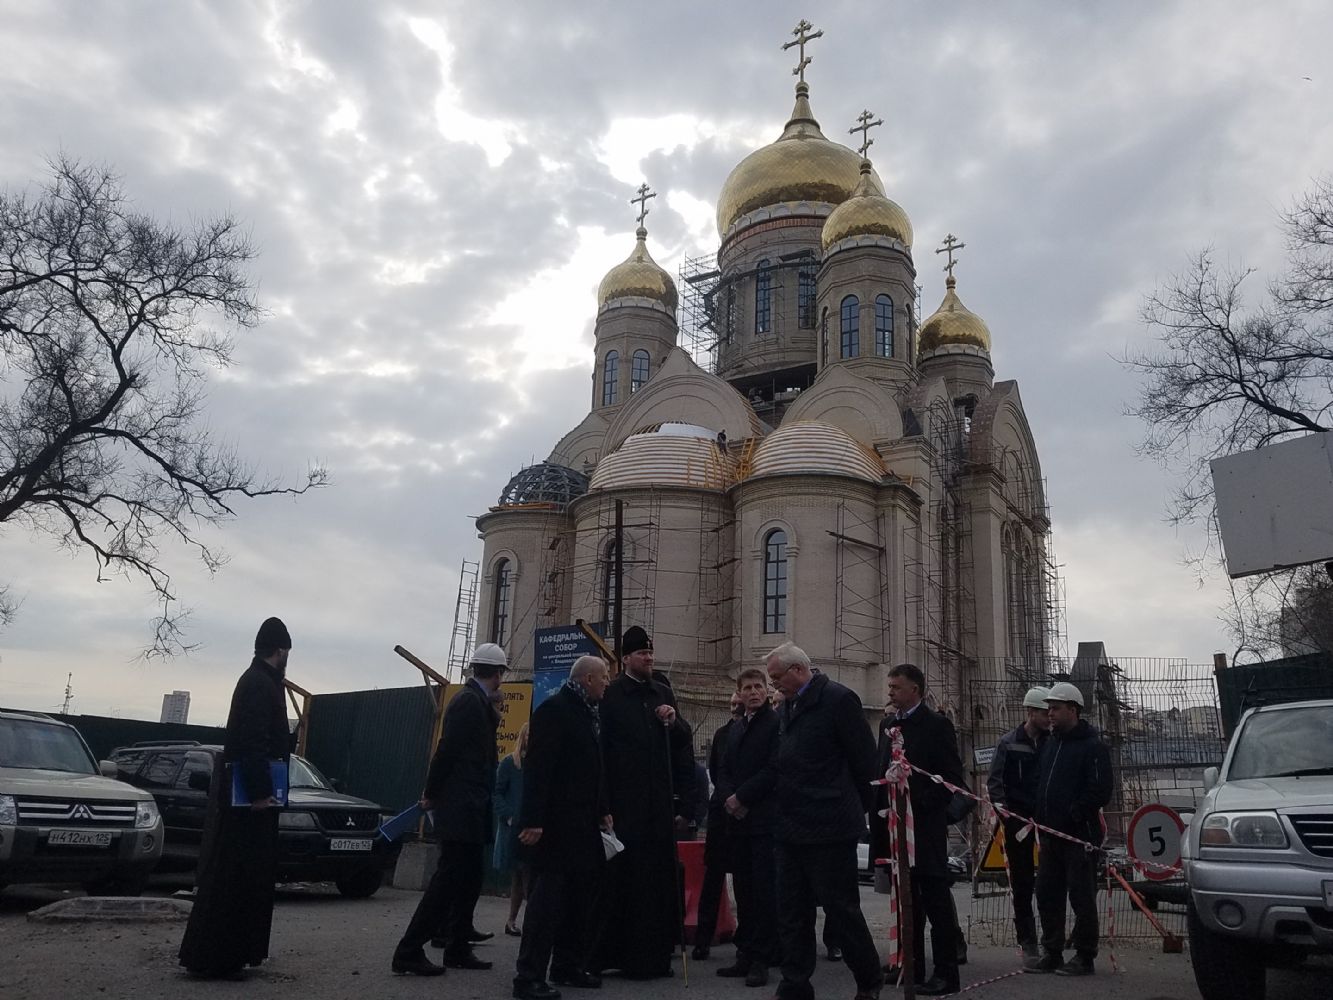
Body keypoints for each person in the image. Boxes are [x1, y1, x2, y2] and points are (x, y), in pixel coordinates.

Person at [178, 617, 294, 980]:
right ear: (281, 651)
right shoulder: (261, 685)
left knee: (236, 877)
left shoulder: (256, 680)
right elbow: (253, 742)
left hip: (246, 800)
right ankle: (222, 957)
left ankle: (228, 955)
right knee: (238, 879)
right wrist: (261, 793)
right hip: (250, 804)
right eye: (287, 652)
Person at [766, 642, 882, 1000]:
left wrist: (855, 809)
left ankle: (868, 981)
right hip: (791, 825)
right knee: (792, 912)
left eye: (776, 678)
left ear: (798, 670)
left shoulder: (838, 700)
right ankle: (795, 984)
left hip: (830, 826)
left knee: (841, 910)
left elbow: (865, 762)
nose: (773, 686)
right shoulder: (789, 705)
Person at [391, 643, 507, 977]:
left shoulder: (475, 701)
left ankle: (457, 946)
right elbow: (447, 751)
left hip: (470, 802)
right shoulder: (468, 702)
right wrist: (431, 792)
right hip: (461, 803)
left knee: (469, 877)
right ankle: (409, 950)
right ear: (498, 673)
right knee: (449, 879)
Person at [589, 625, 695, 980]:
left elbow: (683, 742)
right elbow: (602, 754)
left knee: (656, 885)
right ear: (626, 658)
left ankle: (653, 957)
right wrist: (603, 804)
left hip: (657, 807)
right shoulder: (612, 696)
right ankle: (614, 955)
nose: (649, 658)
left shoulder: (662, 691)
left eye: (651, 653)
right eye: (642, 653)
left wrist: (674, 722)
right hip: (625, 807)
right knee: (623, 884)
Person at [513, 655, 613, 1000]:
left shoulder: (588, 714)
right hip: (555, 828)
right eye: (604, 677)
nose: (607, 682)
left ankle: (567, 965)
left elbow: (591, 768)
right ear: (587, 679)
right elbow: (539, 769)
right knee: (547, 905)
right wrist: (533, 820)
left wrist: (602, 809)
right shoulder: (555, 711)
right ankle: (528, 977)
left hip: (583, 826)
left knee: (578, 901)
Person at [881, 664, 967, 997]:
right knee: (906, 901)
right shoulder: (889, 726)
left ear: (914, 689)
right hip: (895, 827)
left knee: (935, 901)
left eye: (896, 687)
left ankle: (946, 972)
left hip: (926, 829)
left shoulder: (936, 725)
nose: (890, 692)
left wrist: (921, 804)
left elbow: (951, 778)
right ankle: (909, 965)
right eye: (889, 686)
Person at [1025, 681, 1113, 978]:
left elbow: (1100, 790)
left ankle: (1085, 956)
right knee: (1047, 893)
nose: (1049, 713)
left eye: (1055, 708)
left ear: (1073, 710)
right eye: (1048, 708)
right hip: (1050, 835)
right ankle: (1052, 951)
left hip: (1079, 836)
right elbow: (1042, 782)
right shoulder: (1051, 744)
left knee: (1081, 896)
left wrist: (1075, 813)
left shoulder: (1093, 747)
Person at [717, 668, 781, 988]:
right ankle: (745, 952)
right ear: (739, 694)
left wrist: (742, 797)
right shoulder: (737, 727)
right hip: (738, 823)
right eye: (747, 688)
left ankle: (762, 959)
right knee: (742, 891)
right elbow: (723, 768)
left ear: (767, 690)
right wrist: (729, 798)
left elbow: (774, 768)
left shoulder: (776, 724)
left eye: (758, 687)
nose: (753, 692)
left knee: (763, 893)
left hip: (764, 821)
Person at [986, 686, 1051, 958]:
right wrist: (1007, 817)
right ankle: (1027, 940)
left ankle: (1052, 940)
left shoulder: (1052, 744)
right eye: (1045, 712)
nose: (1049, 717)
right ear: (1031, 712)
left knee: (1049, 883)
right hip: (1017, 822)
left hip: (1046, 820)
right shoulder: (1008, 743)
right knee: (1022, 884)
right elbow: (995, 783)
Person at [693, 692, 743, 961]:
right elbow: (716, 770)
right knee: (712, 879)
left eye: (738, 704)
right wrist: (727, 797)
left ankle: (746, 941)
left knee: (746, 884)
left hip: (745, 813)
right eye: (732, 704)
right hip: (721, 814)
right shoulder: (722, 734)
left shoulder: (757, 731)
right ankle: (703, 938)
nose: (734, 708)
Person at [495, 722, 532, 937]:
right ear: (522, 737)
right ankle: (515, 920)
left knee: (525, 874)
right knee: (521, 874)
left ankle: (516, 921)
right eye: (528, 735)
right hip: (513, 829)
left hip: (530, 827)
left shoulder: (537, 764)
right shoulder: (510, 763)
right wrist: (508, 816)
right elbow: (497, 792)